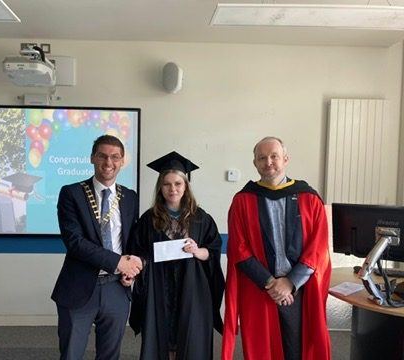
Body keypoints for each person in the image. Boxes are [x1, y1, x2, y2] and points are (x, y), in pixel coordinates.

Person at [222, 136, 332, 360]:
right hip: (260, 287)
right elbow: (238, 247)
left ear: (285, 159)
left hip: (299, 290)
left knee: (297, 349)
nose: (268, 162)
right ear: (255, 163)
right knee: (263, 351)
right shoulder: (243, 200)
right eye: (262, 158)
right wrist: (271, 283)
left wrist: (290, 282)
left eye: (274, 156)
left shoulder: (309, 198)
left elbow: (318, 246)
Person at [51, 134, 143, 360]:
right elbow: (75, 242)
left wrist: (131, 270)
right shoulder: (71, 193)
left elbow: (131, 241)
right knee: (71, 353)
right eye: (102, 156)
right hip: (78, 287)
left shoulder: (130, 197)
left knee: (110, 355)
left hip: (116, 289)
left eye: (115, 157)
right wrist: (117, 262)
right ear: (92, 158)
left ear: (122, 162)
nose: (108, 162)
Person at [128, 151, 225, 360]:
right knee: (161, 334)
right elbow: (139, 250)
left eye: (178, 184)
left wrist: (198, 251)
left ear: (185, 186)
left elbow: (214, 249)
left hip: (193, 288)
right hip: (158, 287)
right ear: (160, 187)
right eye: (167, 184)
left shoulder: (201, 218)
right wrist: (141, 262)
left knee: (191, 336)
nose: (173, 189)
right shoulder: (148, 219)